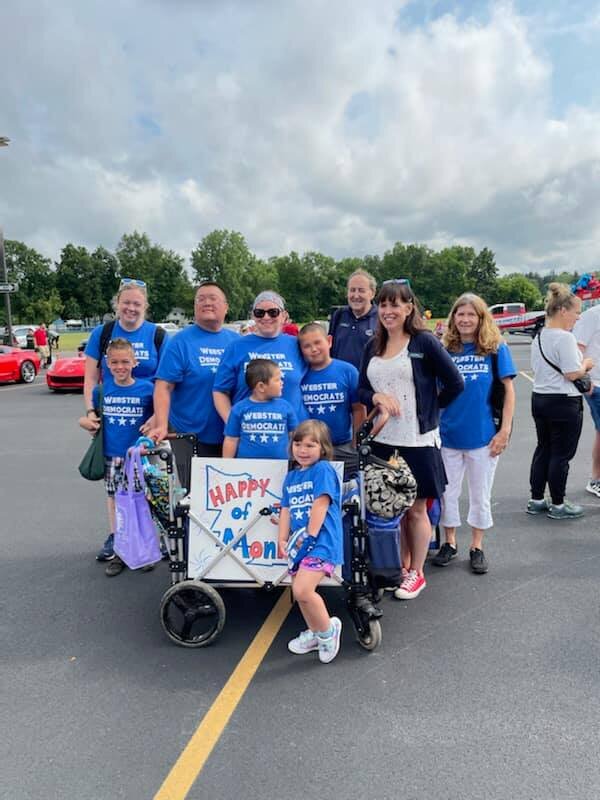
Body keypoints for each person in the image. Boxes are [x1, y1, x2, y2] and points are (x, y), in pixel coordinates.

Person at [358, 280, 464, 600]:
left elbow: (455, 383)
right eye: (384, 305)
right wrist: (376, 395)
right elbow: (360, 389)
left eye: (395, 305)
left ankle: (417, 572)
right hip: (383, 441)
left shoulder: (424, 342)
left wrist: (430, 409)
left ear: (409, 308)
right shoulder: (372, 345)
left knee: (416, 510)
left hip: (417, 440)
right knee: (393, 509)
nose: (389, 311)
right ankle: (402, 566)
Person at [433, 294, 516, 574]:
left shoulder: (494, 349)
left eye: (472, 315)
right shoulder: (445, 349)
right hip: (448, 435)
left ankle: (477, 546)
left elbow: (508, 392)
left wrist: (504, 431)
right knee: (448, 493)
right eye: (460, 314)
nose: (465, 319)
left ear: (481, 318)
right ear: (453, 318)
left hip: (483, 437)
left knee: (480, 494)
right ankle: (450, 542)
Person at [84, 279, 166, 560]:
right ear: (117, 304)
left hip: (146, 429)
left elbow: (167, 383)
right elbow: (91, 379)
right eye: (126, 302)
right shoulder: (103, 332)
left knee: (149, 487)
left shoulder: (157, 335)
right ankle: (118, 537)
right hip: (117, 428)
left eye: (137, 303)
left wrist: (158, 416)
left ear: (145, 306)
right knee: (115, 491)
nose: (131, 308)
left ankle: (151, 539)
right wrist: (91, 413)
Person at [146, 283, 239, 489]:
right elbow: (163, 387)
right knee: (197, 499)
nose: (206, 302)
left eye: (213, 298)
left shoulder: (236, 342)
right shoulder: (180, 342)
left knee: (232, 494)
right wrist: (161, 423)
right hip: (191, 436)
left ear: (226, 306)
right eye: (201, 299)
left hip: (231, 434)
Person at [78, 339, 154, 576]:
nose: (120, 367)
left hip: (138, 457)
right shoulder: (102, 391)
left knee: (141, 502)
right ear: (107, 364)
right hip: (112, 456)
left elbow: (155, 424)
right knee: (116, 503)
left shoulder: (147, 390)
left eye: (125, 361)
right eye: (114, 362)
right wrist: (85, 422)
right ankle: (120, 550)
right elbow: (89, 420)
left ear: (134, 362)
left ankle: (142, 551)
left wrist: (149, 441)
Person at [278, 420, 344, 664]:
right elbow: (285, 509)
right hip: (299, 544)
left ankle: (328, 632)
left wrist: (311, 535)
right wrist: (282, 539)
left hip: (321, 541)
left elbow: (321, 503)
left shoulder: (323, 470)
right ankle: (315, 632)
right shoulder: (292, 477)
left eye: (310, 445)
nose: (303, 450)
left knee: (302, 590)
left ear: (323, 448)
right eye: (298, 444)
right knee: (301, 594)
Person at [527, 283, 593, 520]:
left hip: (540, 398)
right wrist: (587, 364)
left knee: (543, 448)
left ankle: (536, 499)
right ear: (563, 310)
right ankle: (558, 503)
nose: (577, 318)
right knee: (561, 454)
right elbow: (572, 373)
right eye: (576, 312)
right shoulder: (564, 338)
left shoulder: (540, 336)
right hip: (564, 402)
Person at [213, 290, 307, 423]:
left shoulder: (296, 344)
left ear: (284, 316)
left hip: (292, 433)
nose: (266, 317)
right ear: (253, 316)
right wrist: (232, 423)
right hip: (250, 433)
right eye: (260, 313)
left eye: (273, 312)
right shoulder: (236, 347)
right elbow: (220, 391)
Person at [298, 322, 366, 478]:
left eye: (317, 343)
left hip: (342, 446)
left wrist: (357, 443)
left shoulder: (347, 371)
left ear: (329, 341)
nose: (313, 349)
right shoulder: (299, 375)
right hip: (308, 449)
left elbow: (358, 408)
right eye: (307, 346)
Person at [222, 359, 298, 459]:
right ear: (261, 386)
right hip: (247, 468)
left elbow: (295, 435)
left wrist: (296, 461)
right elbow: (231, 440)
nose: (282, 383)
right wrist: (226, 465)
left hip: (281, 468)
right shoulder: (239, 409)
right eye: (277, 380)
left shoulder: (285, 407)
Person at [573, 303, 600, 497]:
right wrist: (585, 381)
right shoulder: (591, 316)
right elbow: (576, 351)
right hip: (596, 384)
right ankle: (596, 479)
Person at [329, 269, 378, 369]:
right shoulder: (339, 315)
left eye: (361, 290)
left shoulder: (381, 318)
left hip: (366, 383)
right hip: (340, 381)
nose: (356, 296)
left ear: (372, 293)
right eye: (352, 290)